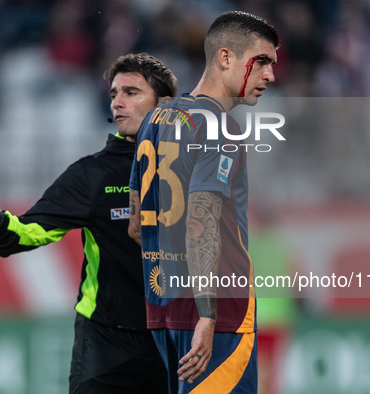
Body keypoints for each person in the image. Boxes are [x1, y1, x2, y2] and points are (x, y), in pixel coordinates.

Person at [0, 53, 177, 394]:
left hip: (175, 338)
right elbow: (28, 233)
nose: (118, 102)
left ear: (164, 104)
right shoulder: (92, 175)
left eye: (131, 93)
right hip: (108, 342)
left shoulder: (194, 170)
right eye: (113, 94)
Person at [128, 11, 279, 393]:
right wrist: (208, 313)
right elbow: (201, 220)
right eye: (261, 61)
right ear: (226, 58)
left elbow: (135, 224)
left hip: (164, 311)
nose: (270, 75)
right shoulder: (219, 125)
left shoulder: (155, 119)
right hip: (217, 313)